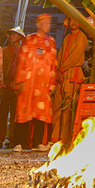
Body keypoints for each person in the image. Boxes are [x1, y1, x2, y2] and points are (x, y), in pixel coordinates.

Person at [13, 13, 58, 149]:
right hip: (28, 82)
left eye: (48, 23)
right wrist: (20, 81)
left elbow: (52, 64)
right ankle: (19, 142)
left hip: (43, 83)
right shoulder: (29, 39)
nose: (46, 25)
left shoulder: (51, 41)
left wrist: (51, 83)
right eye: (43, 23)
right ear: (38, 24)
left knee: (41, 113)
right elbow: (22, 60)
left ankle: (38, 142)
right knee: (24, 112)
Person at [55, 16, 88, 146]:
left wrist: (61, 69)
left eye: (75, 20)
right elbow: (61, 54)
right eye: (71, 20)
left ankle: (66, 138)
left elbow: (75, 57)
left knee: (68, 107)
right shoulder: (67, 37)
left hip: (72, 73)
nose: (73, 22)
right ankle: (55, 138)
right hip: (62, 73)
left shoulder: (82, 37)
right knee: (58, 105)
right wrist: (58, 70)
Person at [0, 27, 25, 148]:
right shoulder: (5, 50)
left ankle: (13, 139)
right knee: (1, 113)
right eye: (10, 35)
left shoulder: (24, 51)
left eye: (14, 35)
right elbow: (0, 67)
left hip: (17, 85)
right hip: (5, 84)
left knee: (16, 114)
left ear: (20, 37)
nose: (11, 37)